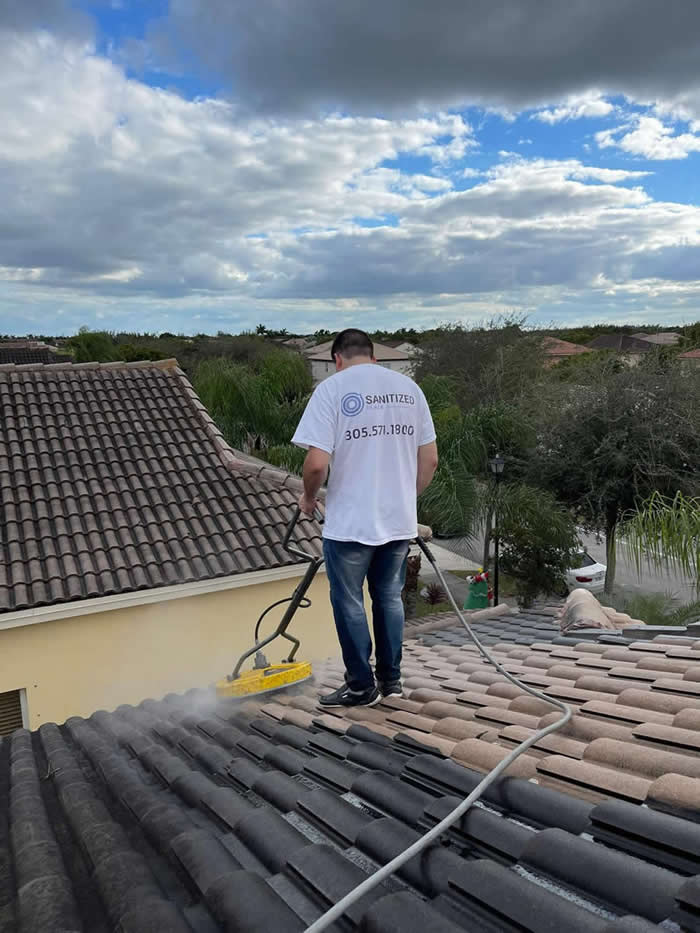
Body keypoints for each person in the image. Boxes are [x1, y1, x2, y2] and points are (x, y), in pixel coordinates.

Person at [292, 329, 438, 707]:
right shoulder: (410, 390)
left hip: (351, 525)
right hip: (397, 522)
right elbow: (431, 460)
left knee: (349, 601)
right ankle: (391, 682)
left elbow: (316, 464)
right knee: (389, 597)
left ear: (337, 359)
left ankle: (361, 686)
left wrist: (308, 499)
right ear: (373, 357)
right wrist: (405, 500)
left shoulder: (331, 389)